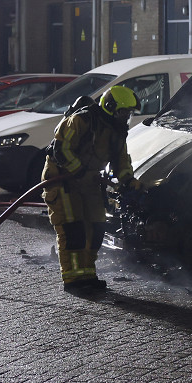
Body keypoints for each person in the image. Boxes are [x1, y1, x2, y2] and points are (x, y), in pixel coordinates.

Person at [42, 85, 141, 294]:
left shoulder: (117, 131)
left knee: (96, 227)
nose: (126, 117)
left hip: (89, 181)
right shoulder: (82, 120)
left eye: (129, 113)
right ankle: (72, 279)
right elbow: (62, 149)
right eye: (123, 112)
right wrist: (79, 170)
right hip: (63, 179)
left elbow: (121, 161)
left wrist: (129, 181)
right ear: (110, 107)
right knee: (73, 228)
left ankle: (87, 275)